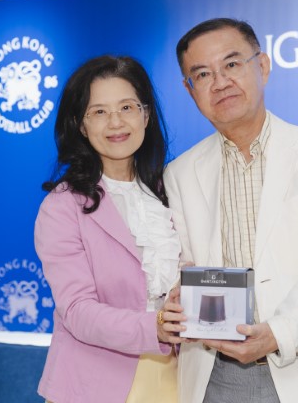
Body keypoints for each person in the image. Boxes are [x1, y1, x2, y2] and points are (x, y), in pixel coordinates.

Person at [159, 18, 298, 403]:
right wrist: (175, 297)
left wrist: (278, 333)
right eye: (203, 74)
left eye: (232, 64)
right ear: (189, 90)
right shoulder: (180, 173)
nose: (220, 82)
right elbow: (185, 267)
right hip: (214, 376)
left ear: (262, 66)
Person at [34, 55, 181, 403]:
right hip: (94, 385)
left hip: (178, 377)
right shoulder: (63, 205)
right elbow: (77, 311)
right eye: (99, 111)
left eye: (127, 107)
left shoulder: (173, 191)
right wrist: (155, 326)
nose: (116, 122)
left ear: (146, 115)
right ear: (81, 125)